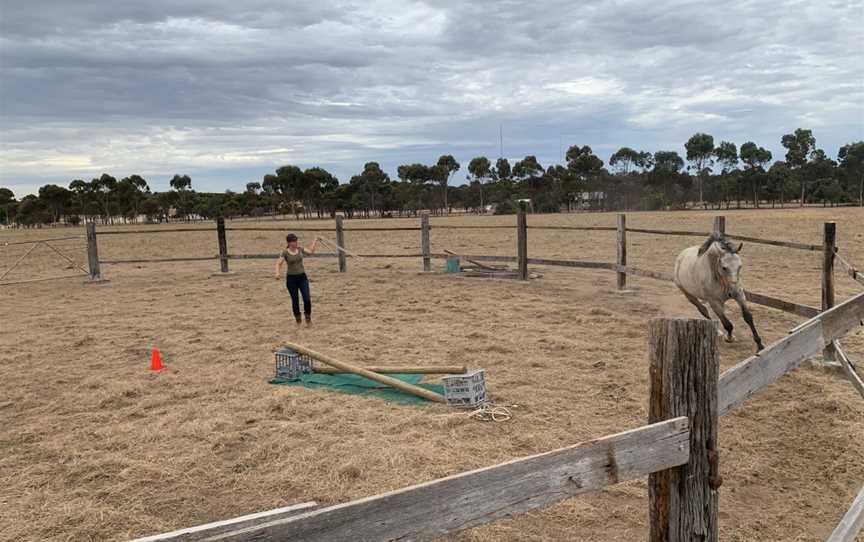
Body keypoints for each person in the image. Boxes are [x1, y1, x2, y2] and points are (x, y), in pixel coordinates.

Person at [275, 233, 318, 325]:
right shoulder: (285, 252)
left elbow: (310, 252)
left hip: (302, 277)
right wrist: (277, 273)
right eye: (293, 241)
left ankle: (308, 318)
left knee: (307, 299)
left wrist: (315, 241)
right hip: (291, 279)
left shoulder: (300, 249)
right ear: (289, 243)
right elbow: (279, 263)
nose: (295, 243)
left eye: (296, 241)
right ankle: (298, 319)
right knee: (295, 301)